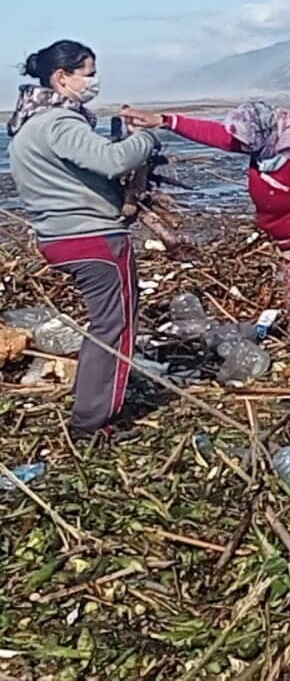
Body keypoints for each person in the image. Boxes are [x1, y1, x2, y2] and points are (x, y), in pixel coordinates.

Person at [121, 101, 290, 411]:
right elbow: (219, 136)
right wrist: (165, 121)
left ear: (263, 133)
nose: (240, 144)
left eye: (245, 138)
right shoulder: (266, 149)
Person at [8, 41, 159, 442]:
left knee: (104, 324)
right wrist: (146, 140)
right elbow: (112, 161)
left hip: (58, 238)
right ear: (62, 78)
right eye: (88, 73)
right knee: (115, 327)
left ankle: (91, 411)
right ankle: (93, 422)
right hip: (93, 239)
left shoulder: (26, 126)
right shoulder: (58, 122)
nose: (94, 82)